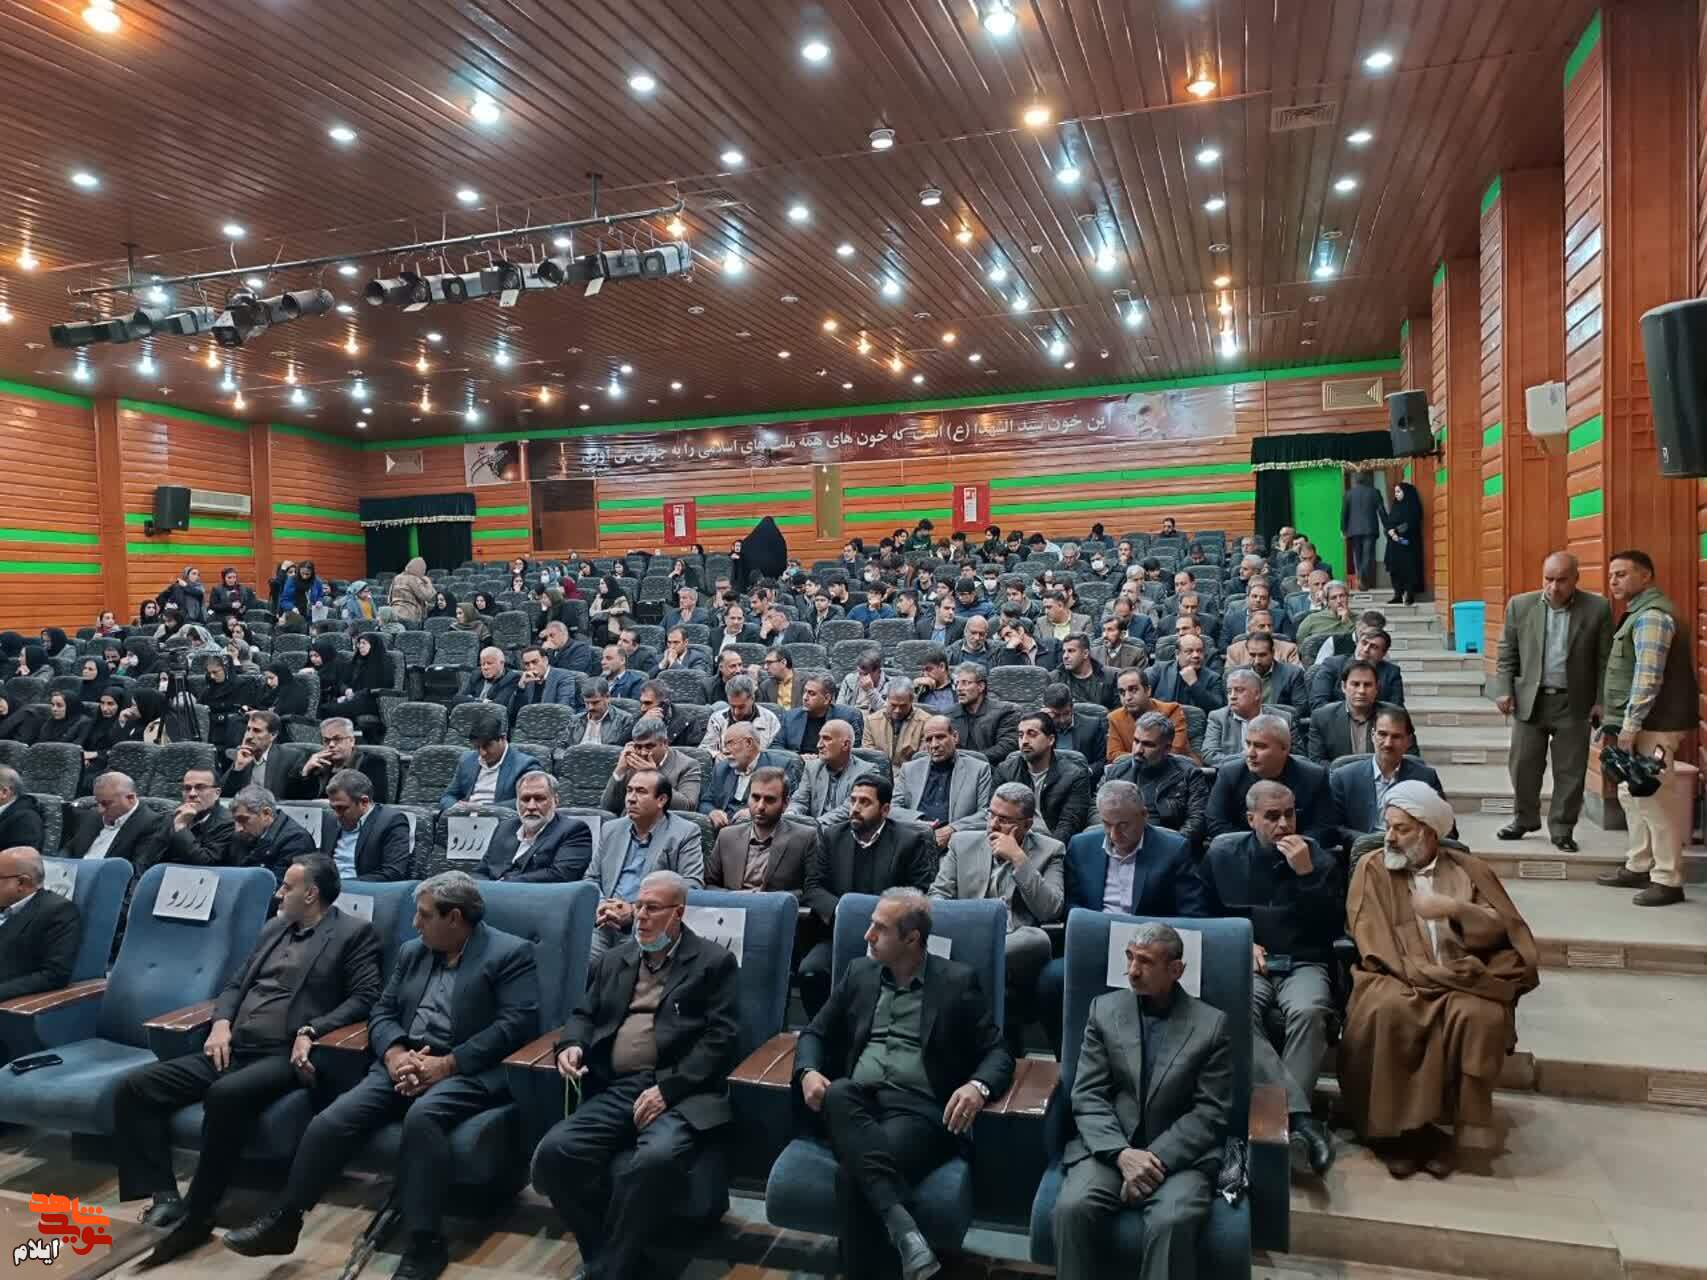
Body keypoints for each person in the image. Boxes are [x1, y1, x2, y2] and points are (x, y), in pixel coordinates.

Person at [223, 872, 539, 1280]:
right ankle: (286, 1219)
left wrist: (446, 1065)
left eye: (424, 915)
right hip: (402, 1060)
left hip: (467, 1069)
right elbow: (383, 1012)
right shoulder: (413, 952)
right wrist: (394, 1054)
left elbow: (514, 1026)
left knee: (423, 1118)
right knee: (331, 1121)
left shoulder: (509, 954)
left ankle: (424, 1243)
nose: (415, 923)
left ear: (455, 918)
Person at [117, 854, 383, 1263]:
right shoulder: (274, 928)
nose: (279, 893)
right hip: (235, 1044)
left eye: (287, 887)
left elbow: (365, 998)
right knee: (136, 1087)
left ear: (311, 894)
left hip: (285, 1053)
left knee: (226, 1094)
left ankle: (199, 1211)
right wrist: (221, 1023)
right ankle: (164, 1195)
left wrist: (312, 1030)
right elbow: (236, 984)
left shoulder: (354, 934)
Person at [531, 870, 741, 1280]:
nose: (640, 916)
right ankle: (615, 1262)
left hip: (682, 1092)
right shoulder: (615, 959)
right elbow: (583, 1015)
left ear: (678, 913)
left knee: (654, 1160)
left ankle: (608, 1271)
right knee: (555, 1154)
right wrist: (571, 1044)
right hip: (617, 1087)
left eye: (652, 908)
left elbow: (721, 1039)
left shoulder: (713, 962)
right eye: (638, 906)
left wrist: (668, 1089)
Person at [795, 888, 1014, 1280]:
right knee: (839, 1091)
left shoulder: (956, 981)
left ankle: (895, 1235)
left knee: (853, 1176)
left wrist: (977, 1087)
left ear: (912, 939)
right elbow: (814, 1032)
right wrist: (808, 1071)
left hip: (918, 1111)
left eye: (880, 929)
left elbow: (998, 1052)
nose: (867, 935)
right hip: (855, 1102)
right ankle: (906, 1232)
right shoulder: (858, 973)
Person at [1341, 782, 1539, 1177]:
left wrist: (1454, 908)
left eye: (1401, 829)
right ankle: (1393, 1134)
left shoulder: (1470, 870)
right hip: (1394, 973)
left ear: (1429, 833)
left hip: (1462, 974)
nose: (1389, 837)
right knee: (1389, 1009)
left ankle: (1447, 1133)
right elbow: (1369, 933)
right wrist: (1420, 973)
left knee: (1480, 1016)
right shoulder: (1372, 868)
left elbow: (1505, 931)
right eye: (1388, 827)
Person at [1052, 922, 1231, 1280]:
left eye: (1146, 962)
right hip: (1109, 1148)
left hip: (1180, 1158)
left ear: (1176, 970)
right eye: (1130, 957)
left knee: (1171, 1221)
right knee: (1072, 1207)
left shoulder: (1212, 1025)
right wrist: (1121, 1153)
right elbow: (1088, 1093)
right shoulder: (1104, 1011)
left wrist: (1152, 1160)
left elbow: (1211, 1112)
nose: (1132, 971)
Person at [1199, 780, 1339, 1175]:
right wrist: (1239, 941)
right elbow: (1200, 914)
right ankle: (1300, 1121)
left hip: (1303, 961)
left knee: (1311, 1011)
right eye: (1272, 816)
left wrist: (1306, 876)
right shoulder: (1223, 854)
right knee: (1234, 1012)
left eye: (1290, 815)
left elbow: (1332, 927)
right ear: (1250, 819)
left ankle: (1275, 1123)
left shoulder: (1317, 858)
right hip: (1248, 960)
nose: (1283, 825)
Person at [1035, 784, 1208, 1057]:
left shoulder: (1173, 849)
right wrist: (1091, 928)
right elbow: (1072, 905)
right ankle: (1068, 1059)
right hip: (1099, 944)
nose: (1115, 834)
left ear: (1144, 815)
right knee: (1051, 980)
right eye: (1107, 824)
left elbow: (1192, 913)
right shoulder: (1081, 846)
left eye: (1123, 825)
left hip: (1150, 951)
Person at [1488, 552, 1614, 853]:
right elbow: (1507, 652)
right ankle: (1524, 818)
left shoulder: (1597, 608)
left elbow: (1605, 659)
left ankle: (1562, 828)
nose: (1554, 587)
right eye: (1548, 579)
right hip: (1531, 699)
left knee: (1570, 770)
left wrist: (1601, 701)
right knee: (1523, 765)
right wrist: (1503, 689)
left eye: (1562, 580)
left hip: (1574, 701)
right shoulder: (1520, 606)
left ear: (1576, 579)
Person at [1596, 549, 1699, 906]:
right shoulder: (1637, 613)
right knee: (1632, 793)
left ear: (1646, 576)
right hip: (1641, 724)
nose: (1613, 581)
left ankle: (1668, 879)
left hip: (1653, 726)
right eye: (1612, 574)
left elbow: (1648, 677)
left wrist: (1631, 724)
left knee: (1655, 799)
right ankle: (1639, 864)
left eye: (1622, 574)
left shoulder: (1652, 616)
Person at [932, 783, 1064, 1047]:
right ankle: (973, 963)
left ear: (1027, 824)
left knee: (1036, 938)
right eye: (991, 814)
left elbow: (1051, 910)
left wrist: (1019, 859)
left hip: (1013, 943)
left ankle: (968, 964)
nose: (992, 824)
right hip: (966, 933)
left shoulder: (1051, 850)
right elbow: (938, 895)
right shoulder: (962, 843)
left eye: (1004, 820)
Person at [798, 777, 936, 1017]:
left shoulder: (909, 841)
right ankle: (823, 1028)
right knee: (810, 971)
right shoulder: (832, 836)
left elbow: (918, 893)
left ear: (885, 809)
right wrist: (844, 912)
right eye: (853, 800)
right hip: (837, 932)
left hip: (891, 938)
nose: (855, 808)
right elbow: (813, 886)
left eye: (865, 802)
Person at [587, 770, 705, 961]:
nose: (631, 799)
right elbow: (591, 878)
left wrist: (634, 911)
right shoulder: (611, 829)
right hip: (604, 922)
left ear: (661, 800)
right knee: (577, 965)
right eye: (629, 791)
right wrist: (602, 905)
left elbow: (692, 886)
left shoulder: (685, 833)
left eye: (641, 792)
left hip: (650, 924)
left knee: (624, 971)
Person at [1205, 715, 1336, 846]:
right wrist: (1256, 847)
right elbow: (1216, 823)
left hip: (1297, 851)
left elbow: (1324, 827)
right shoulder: (1230, 774)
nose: (1250, 753)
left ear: (1285, 748)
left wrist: (1291, 846)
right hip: (1242, 853)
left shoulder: (1314, 777)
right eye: (1248, 744)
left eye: (1260, 746)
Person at [1330, 707, 1445, 844]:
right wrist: (1370, 841)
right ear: (1372, 735)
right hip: (1363, 850)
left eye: (1396, 737)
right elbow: (1332, 828)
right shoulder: (1343, 778)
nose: (1388, 743)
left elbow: (1447, 829)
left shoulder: (1425, 778)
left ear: (1408, 741)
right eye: (1382, 734)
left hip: (1411, 849)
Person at [1104, 712, 1210, 857]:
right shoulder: (1117, 771)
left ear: (1167, 749)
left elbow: (1197, 821)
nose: (1138, 750)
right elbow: (1096, 808)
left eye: (1148, 744)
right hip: (1120, 842)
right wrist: (1111, 835)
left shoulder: (1189, 774)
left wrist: (1168, 848)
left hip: (1168, 848)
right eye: (1136, 741)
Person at [0, 847, 81, 1016]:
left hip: (10, 1001)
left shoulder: (58, 911)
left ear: (22, 882)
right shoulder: (4, 903)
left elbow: (54, 975)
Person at [473, 771, 592, 883]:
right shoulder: (504, 827)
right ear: (517, 802)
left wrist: (504, 884)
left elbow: (561, 875)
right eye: (525, 799)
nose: (531, 806)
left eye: (539, 799)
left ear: (555, 800)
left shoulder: (574, 830)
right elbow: (482, 871)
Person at [992, 712, 1092, 840]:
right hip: (1013, 836)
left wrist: (1050, 850)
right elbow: (995, 815)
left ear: (1050, 740)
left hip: (1052, 841)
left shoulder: (1075, 775)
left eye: (1032, 734)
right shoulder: (1005, 770)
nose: (1024, 741)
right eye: (1021, 735)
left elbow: (1069, 824)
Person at [438, 710, 545, 812]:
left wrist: (482, 809)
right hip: (464, 817)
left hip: (501, 819)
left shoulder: (525, 765)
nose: (482, 753)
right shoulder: (467, 760)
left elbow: (529, 800)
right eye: (477, 747)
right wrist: (456, 807)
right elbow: (448, 796)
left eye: (487, 746)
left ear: (503, 739)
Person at [317, 769, 412, 882]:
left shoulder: (392, 821)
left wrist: (342, 885)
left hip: (365, 889)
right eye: (333, 808)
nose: (337, 815)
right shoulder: (329, 819)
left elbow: (393, 873)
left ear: (364, 802)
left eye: (341, 808)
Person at [599, 717, 703, 813]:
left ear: (665, 743)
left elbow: (688, 807)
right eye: (638, 747)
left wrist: (655, 775)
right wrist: (620, 770)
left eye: (649, 746)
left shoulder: (688, 765)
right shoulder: (631, 761)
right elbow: (607, 807)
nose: (643, 752)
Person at [66, 770, 171, 865]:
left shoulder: (153, 824)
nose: (100, 810)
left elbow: (138, 869)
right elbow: (69, 850)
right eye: (98, 802)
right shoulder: (92, 815)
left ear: (130, 798)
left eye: (106, 804)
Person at [1308, 659, 1399, 766]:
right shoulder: (1321, 718)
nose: (1361, 691)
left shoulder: (1395, 716)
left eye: (1367, 685)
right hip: (1337, 776)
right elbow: (1317, 761)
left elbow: (1408, 758)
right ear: (1344, 686)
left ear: (1377, 688)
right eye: (1355, 684)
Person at [787, 719, 876, 825]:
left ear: (845, 745)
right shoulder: (812, 768)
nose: (819, 745)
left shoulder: (866, 772)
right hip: (812, 829)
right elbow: (799, 801)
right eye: (819, 738)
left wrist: (814, 824)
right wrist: (790, 814)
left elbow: (848, 809)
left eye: (826, 739)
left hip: (845, 830)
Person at [285, 716, 390, 801]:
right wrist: (305, 772)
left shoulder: (372, 763)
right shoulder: (317, 762)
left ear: (351, 741)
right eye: (326, 740)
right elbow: (291, 799)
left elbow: (375, 801)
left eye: (337, 739)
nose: (331, 745)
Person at [699, 722, 782, 829]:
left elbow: (787, 805)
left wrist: (754, 811)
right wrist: (712, 812)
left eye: (730, 743)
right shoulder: (722, 768)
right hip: (724, 828)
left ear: (748, 743)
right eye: (724, 745)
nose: (724, 751)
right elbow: (705, 802)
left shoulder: (779, 767)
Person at [228, 786, 318, 882]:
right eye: (235, 821)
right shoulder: (241, 837)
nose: (238, 829)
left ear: (266, 813)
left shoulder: (297, 840)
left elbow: (280, 886)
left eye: (243, 820)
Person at [1201, 668, 1285, 766]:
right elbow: (1209, 755)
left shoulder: (1282, 718)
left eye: (1239, 690)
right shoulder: (1218, 717)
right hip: (1232, 774)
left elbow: (1295, 756)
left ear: (1257, 694)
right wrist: (1248, 758)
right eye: (1229, 691)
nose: (1232, 696)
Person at [1105, 667, 1188, 761]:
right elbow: (1113, 755)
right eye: (1122, 692)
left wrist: (1139, 757)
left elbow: (1175, 751)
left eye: (1133, 690)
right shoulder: (1115, 718)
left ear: (1148, 690)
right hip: (1133, 769)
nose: (1127, 697)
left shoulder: (1171, 710)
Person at [947, 661, 1020, 764]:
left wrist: (969, 760)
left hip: (992, 767)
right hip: (956, 768)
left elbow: (1006, 747)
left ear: (981, 686)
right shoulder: (949, 715)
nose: (959, 688)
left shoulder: (1005, 712)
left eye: (965, 683)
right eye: (957, 683)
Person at [165, 769, 237, 867]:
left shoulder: (228, 823)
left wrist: (181, 826)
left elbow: (206, 862)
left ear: (217, 793)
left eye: (200, 788)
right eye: (187, 788)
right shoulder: (174, 815)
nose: (192, 794)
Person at [776, 675, 862, 755]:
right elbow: (776, 746)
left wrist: (820, 758)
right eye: (805, 692)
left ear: (827, 698)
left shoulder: (848, 717)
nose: (805, 697)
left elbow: (852, 752)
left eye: (812, 694)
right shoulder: (789, 717)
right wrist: (797, 758)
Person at [1145, 633, 1225, 711]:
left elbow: (1217, 707)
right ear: (1177, 654)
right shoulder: (1160, 670)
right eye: (1189, 651)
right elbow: (1143, 696)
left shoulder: (1213, 678)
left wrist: (1194, 684)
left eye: (1199, 651)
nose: (1196, 655)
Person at [863, 677, 930, 766]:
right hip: (879, 772)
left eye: (903, 706)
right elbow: (868, 757)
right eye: (893, 705)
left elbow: (922, 761)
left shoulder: (926, 722)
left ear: (912, 700)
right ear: (887, 699)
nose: (897, 711)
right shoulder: (871, 721)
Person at [1381, 479, 1425, 604]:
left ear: (1406, 492)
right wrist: (1389, 532)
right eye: (1395, 492)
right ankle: (1397, 595)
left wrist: (1395, 531)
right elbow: (1388, 523)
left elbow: (1411, 523)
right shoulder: (1395, 507)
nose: (1396, 494)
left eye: (1399, 491)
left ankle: (1410, 594)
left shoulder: (1413, 507)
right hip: (1393, 545)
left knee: (1408, 569)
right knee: (1394, 569)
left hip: (1407, 544)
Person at [1341, 472, 1386, 591]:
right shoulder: (1374, 492)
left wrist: (1343, 529)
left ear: (1355, 481)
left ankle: (1360, 578)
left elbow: (1344, 513)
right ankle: (1362, 579)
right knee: (1368, 556)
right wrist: (1387, 525)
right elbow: (1381, 510)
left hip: (1354, 531)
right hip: (1370, 529)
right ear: (1366, 480)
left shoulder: (1348, 494)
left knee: (1357, 556)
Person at [509, 644, 580, 717]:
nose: (531, 667)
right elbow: (514, 713)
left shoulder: (563, 676)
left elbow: (564, 707)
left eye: (535, 662)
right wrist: (521, 687)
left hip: (553, 720)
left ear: (545, 660)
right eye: (527, 664)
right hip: (530, 721)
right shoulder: (525, 679)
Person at [563, 678, 635, 747]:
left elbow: (623, 749)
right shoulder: (575, 720)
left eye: (595, 702)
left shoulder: (624, 720)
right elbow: (561, 747)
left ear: (607, 697)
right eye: (587, 703)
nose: (590, 708)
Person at [1294, 579, 1355, 656]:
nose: (1339, 601)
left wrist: (1346, 621)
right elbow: (1300, 646)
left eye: (1342, 596)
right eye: (1334, 598)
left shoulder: (1359, 619)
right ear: (1327, 602)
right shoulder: (1311, 620)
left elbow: (1357, 643)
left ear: (1348, 598)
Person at [388, 556, 436, 624]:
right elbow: (427, 596)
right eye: (423, 569)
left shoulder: (397, 578)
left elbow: (389, 598)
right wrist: (429, 583)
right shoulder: (414, 579)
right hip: (409, 614)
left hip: (394, 613)